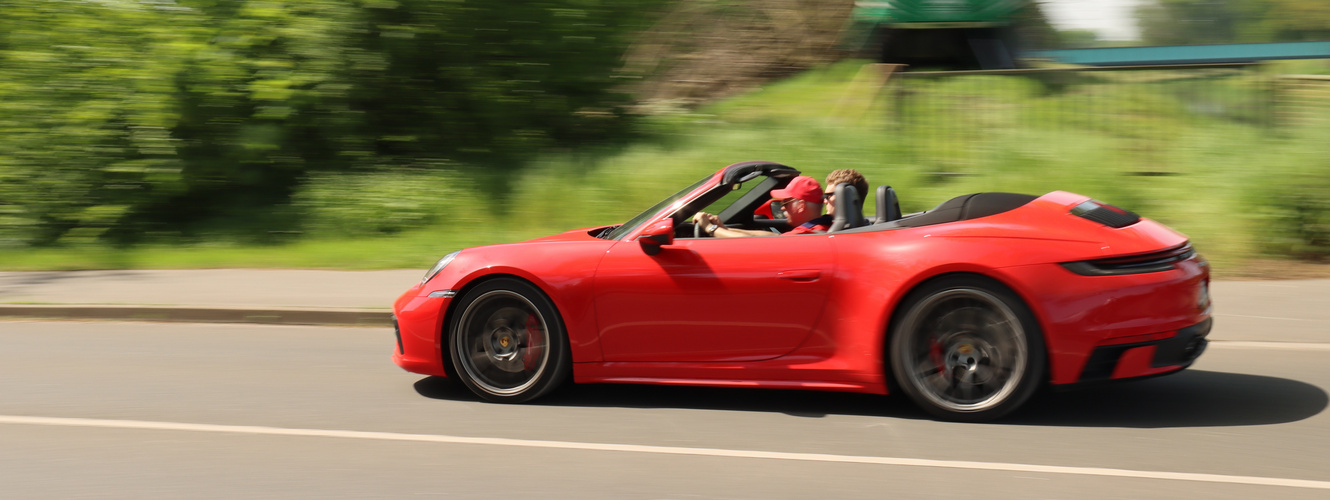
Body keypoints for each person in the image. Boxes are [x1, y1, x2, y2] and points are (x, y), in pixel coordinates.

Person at [694, 175, 826, 237]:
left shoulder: (804, 234)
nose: (782, 207)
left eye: (785, 202)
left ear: (801, 206)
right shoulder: (821, 226)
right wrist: (724, 229)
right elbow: (769, 237)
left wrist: (709, 228)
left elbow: (751, 243)